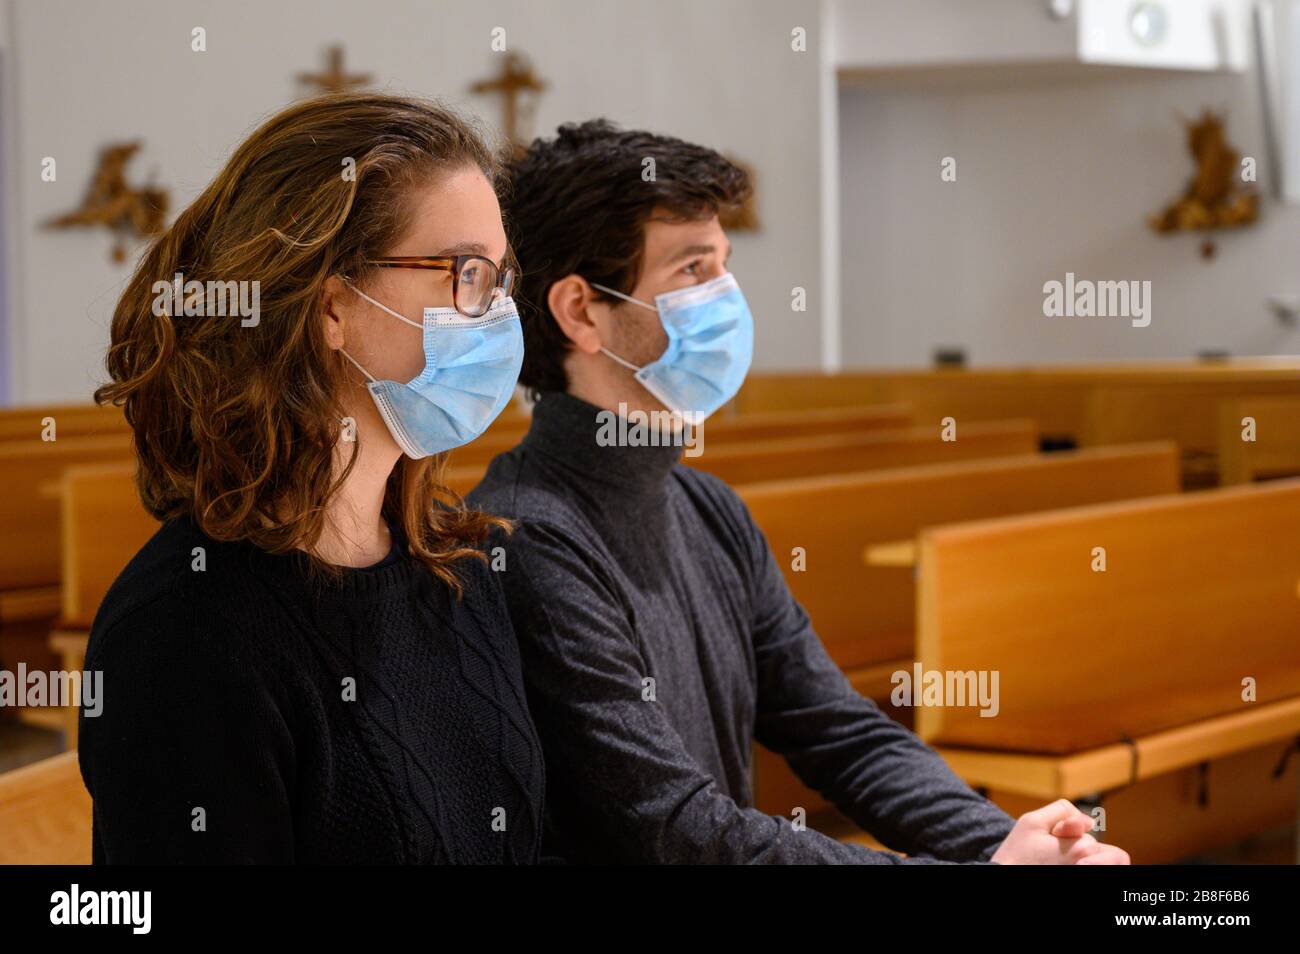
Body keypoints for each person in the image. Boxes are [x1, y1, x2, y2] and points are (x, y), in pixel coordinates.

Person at [471, 119, 1130, 864]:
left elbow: (841, 731)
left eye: (724, 265)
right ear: (581, 312)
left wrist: (1006, 845)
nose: (725, 296)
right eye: (692, 271)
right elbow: (677, 829)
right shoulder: (525, 539)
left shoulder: (708, 508)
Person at [79, 93, 544, 864]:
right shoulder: (183, 634)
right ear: (331, 307)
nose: (496, 312)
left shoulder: (457, 566)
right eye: (466, 273)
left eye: (500, 278)